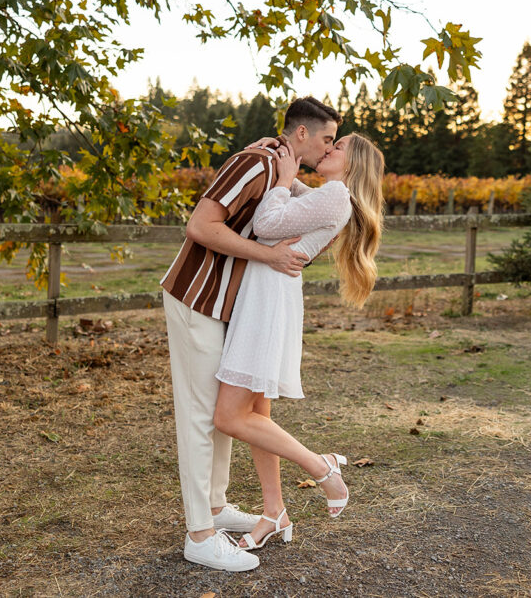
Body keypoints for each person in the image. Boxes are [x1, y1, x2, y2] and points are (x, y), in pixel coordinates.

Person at [160, 96, 342, 571]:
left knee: (225, 409)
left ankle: (217, 507)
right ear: (300, 134)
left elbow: (314, 205)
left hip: (227, 306)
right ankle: (200, 535)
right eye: (326, 139)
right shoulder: (255, 162)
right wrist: (267, 256)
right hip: (198, 297)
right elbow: (199, 226)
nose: (328, 149)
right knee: (204, 416)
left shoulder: (275, 167)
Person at [212, 132, 385, 551]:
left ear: (352, 164)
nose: (328, 150)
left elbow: (266, 224)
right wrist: (274, 163)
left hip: (267, 300)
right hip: (268, 295)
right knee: (257, 413)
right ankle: (274, 513)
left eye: (337, 147)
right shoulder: (330, 194)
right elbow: (294, 192)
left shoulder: (335, 196)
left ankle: (320, 466)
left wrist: (283, 177)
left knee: (230, 418)